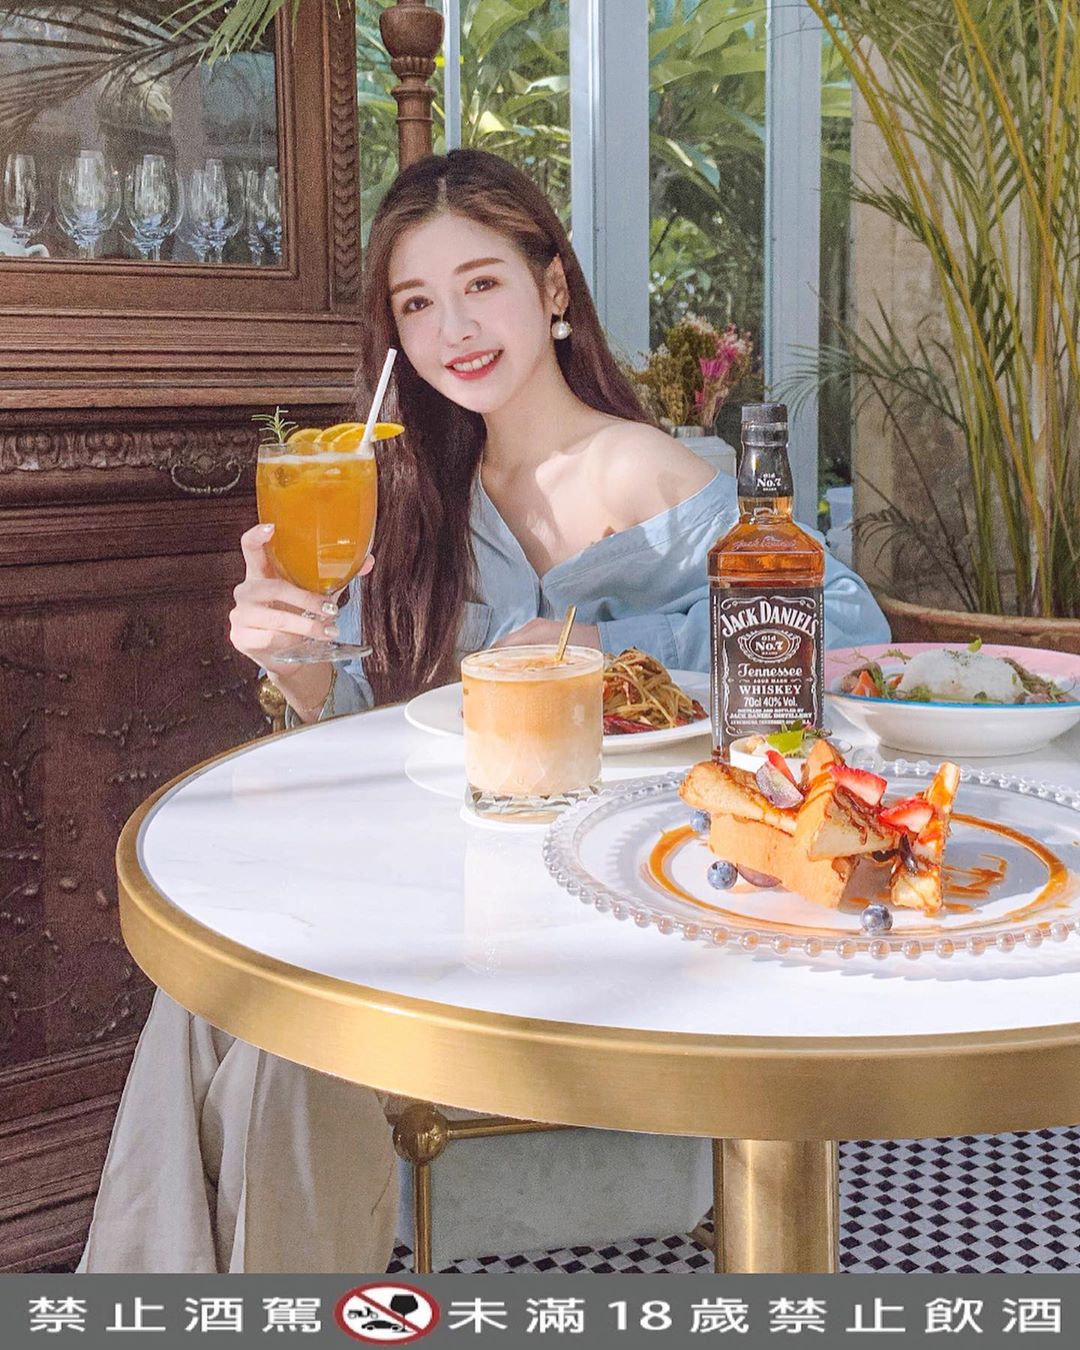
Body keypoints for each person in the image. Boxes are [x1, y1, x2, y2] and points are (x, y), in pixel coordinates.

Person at [80, 149, 889, 1274]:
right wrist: (298, 662)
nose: (452, 327)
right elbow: (378, 715)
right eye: (416, 303)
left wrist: (605, 655)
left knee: (285, 1033)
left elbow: (850, 641)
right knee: (220, 994)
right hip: (448, 905)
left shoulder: (652, 473)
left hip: (616, 923)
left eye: (480, 284)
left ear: (551, 287)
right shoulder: (417, 500)